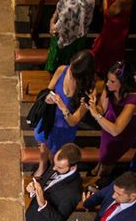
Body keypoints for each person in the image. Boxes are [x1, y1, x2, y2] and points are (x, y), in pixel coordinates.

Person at [34, 50, 96, 179]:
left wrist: (63, 107)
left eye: (75, 73)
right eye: (71, 68)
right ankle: (42, 165)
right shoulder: (62, 69)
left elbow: (74, 121)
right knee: (43, 145)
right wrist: (48, 98)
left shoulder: (89, 90)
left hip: (64, 127)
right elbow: (48, 89)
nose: (71, 73)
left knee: (55, 154)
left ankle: (52, 170)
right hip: (49, 118)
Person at [86, 61, 136, 186]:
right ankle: (98, 168)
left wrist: (96, 114)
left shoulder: (133, 99)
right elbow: (102, 107)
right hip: (107, 123)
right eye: (108, 79)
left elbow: (116, 130)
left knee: (109, 159)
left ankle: (100, 179)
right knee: (103, 152)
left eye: (112, 81)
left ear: (124, 82)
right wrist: (94, 105)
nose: (107, 83)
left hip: (123, 134)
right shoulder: (109, 88)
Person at [44, 0, 96, 74]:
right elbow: (62, 2)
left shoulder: (86, 2)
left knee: (63, 68)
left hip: (71, 41)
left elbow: (74, 25)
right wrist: (53, 19)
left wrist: (54, 26)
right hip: (58, 30)